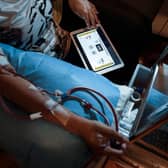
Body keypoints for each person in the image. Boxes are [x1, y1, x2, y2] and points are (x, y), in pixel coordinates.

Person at [0, 0, 130, 167]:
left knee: (124, 51)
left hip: (63, 39)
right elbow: (5, 78)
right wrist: (73, 122)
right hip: (37, 61)